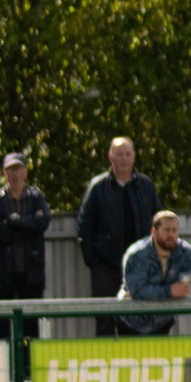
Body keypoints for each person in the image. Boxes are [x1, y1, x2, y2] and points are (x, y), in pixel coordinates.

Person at [77, 136, 159, 336]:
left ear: (134, 157)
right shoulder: (97, 187)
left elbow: (159, 221)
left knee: (138, 320)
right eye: (119, 154)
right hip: (106, 266)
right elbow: (84, 228)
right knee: (105, 318)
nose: (124, 158)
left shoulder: (146, 186)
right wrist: (94, 261)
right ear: (110, 156)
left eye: (128, 154)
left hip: (141, 267)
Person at [0, 152, 50, 339]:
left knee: (31, 325)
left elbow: (43, 222)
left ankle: (28, 366)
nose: (15, 174)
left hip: (31, 271)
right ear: (4, 173)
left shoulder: (36, 197)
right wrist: (28, 225)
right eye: (10, 169)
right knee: (2, 325)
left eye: (18, 169)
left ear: (25, 172)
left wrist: (14, 221)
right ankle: (5, 366)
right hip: (3, 271)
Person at [119, 211, 191, 336]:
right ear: (154, 231)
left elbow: (183, 285)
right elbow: (137, 291)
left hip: (163, 321)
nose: (171, 235)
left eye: (174, 230)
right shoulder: (137, 255)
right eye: (166, 230)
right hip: (132, 322)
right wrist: (169, 291)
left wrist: (174, 290)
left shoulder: (185, 251)